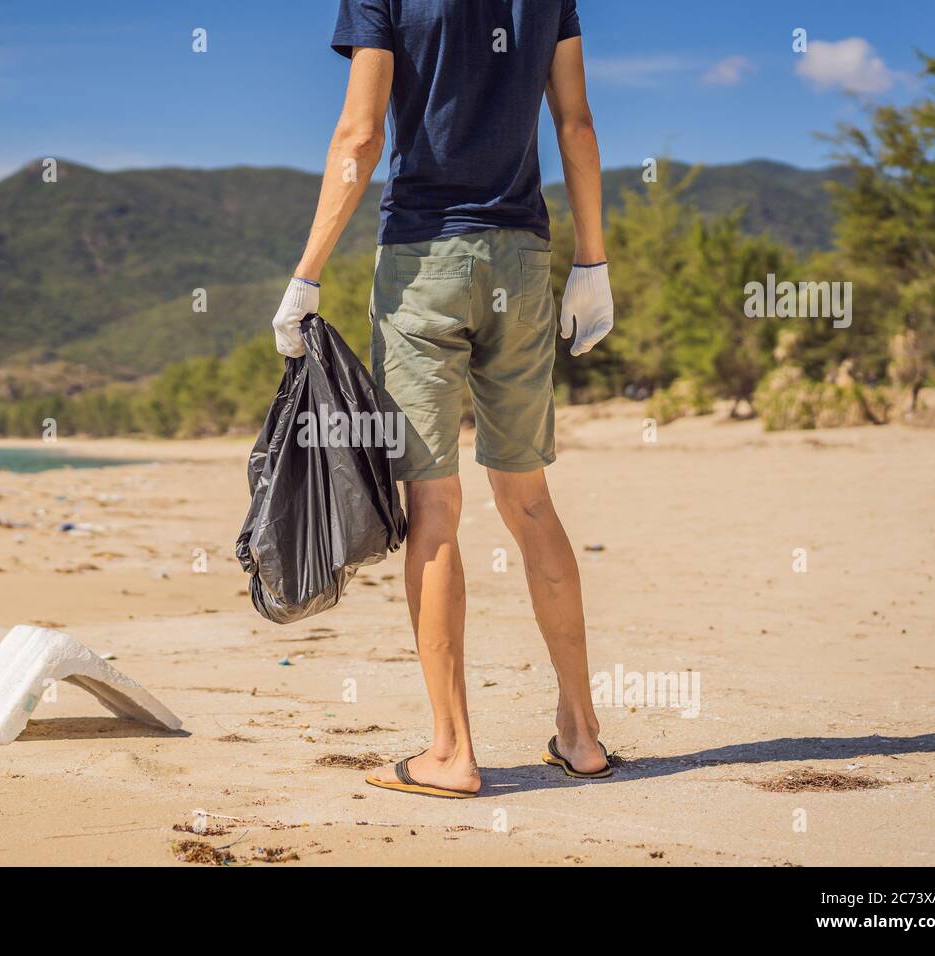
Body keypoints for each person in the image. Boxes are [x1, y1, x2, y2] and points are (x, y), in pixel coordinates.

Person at [271, 0, 614, 798]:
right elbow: (578, 125)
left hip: (423, 263)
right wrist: (591, 260)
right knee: (529, 501)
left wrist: (307, 273)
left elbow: (359, 137)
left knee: (435, 507)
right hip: (523, 259)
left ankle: (452, 754)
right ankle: (582, 734)